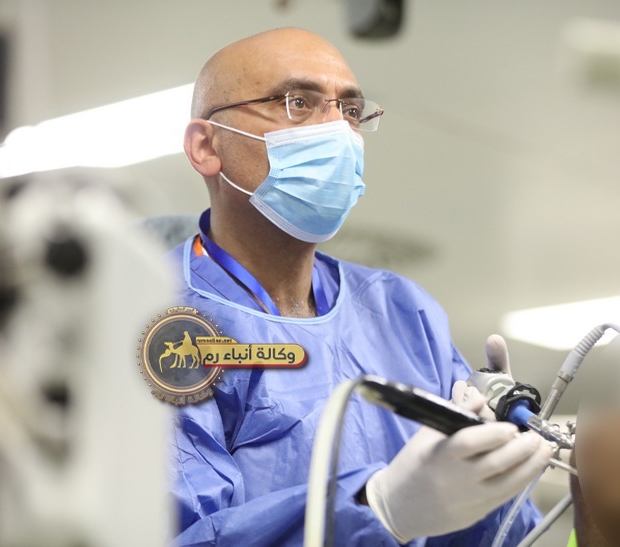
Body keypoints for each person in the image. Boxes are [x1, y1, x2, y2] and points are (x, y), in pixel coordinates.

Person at [169, 27, 552, 546]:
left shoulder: (402, 312)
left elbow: (500, 538)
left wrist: (495, 475)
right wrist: (378, 509)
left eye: (350, 111)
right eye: (299, 102)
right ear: (205, 146)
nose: (337, 131)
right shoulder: (160, 326)